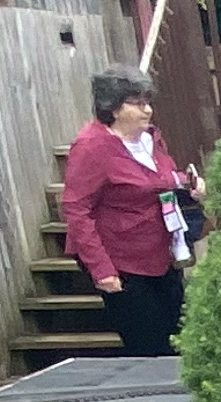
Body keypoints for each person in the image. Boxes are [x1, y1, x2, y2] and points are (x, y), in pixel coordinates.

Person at [58, 69, 205, 358]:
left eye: (147, 102)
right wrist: (102, 270)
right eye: (137, 103)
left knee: (181, 340)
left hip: (162, 255)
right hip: (122, 264)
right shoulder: (91, 147)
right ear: (113, 108)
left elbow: (159, 178)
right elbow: (77, 210)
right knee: (149, 348)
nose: (147, 110)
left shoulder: (151, 138)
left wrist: (188, 183)